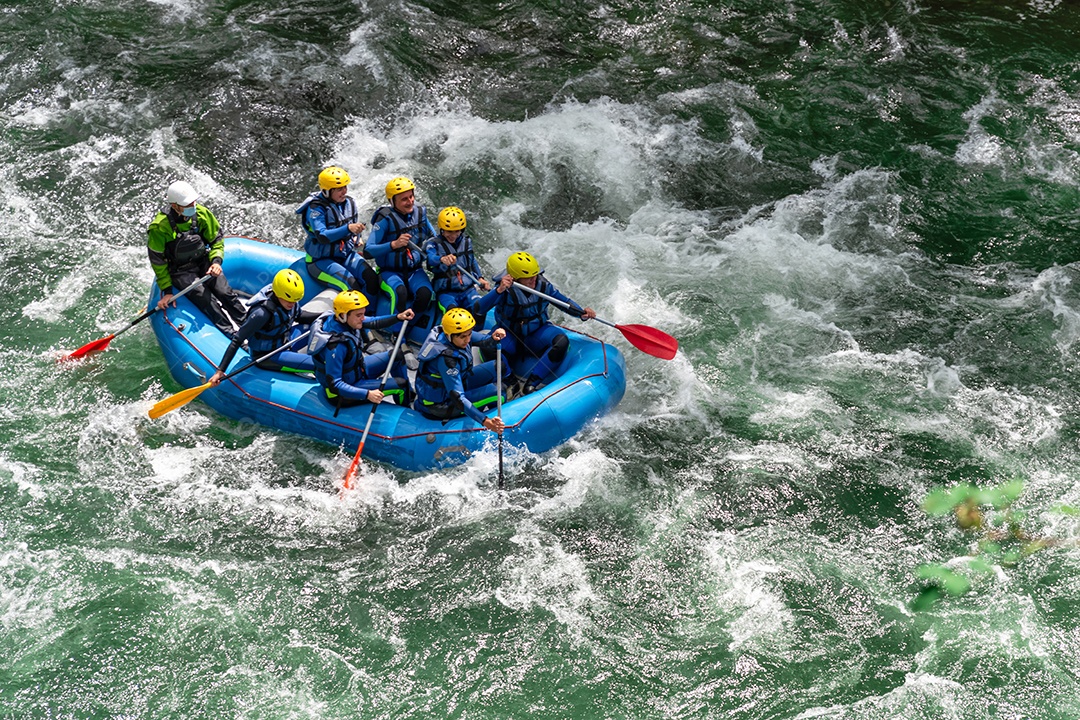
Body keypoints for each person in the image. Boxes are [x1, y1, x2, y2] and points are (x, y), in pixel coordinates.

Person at [475, 251, 596, 394]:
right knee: (488, 346)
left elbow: (563, 302)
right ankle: (510, 381)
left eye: (535, 275)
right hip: (510, 334)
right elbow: (479, 309)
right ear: (515, 278)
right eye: (528, 278)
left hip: (536, 333)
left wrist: (581, 313)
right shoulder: (504, 289)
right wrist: (499, 290)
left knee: (561, 341)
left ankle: (532, 383)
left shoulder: (543, 286)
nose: (534, 280)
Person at [147, 180, 247, 336]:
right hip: (180, 271)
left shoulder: (201, 213)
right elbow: (158, 262)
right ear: (174, 206)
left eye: (193, 202)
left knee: (225, 292)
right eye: (187, 204)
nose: (192, 206)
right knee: (207, 300)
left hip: (203, 261)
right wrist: (167, 291)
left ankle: (249, 325)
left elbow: (216, 240)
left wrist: (216, 261)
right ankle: (232, 334)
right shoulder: (160, 227)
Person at [311, 290, 414, 409]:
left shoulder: (345, 321)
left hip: (358, 370)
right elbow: (335, 384)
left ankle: (410, 395)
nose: (363, 318)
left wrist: (398, 317)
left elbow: (374, 322)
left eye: (363, 314)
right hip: (344, 392)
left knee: (397, 355)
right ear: (343, 315)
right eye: (358, 315)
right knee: (401, 385)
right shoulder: (335, 346)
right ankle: (407, 411)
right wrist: (368, 394)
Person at [208, 269, 311, 386]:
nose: (292, 303)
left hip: (283, 341)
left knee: (313, 326)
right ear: (278, 293)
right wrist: (220, 371)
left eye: (295, 300)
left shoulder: (290, 300)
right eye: (289, 300)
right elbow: (237, 340)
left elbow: (299, 316)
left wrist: (324, 315)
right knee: (317, 364)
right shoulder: (261, 314)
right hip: (267, 356)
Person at [413, 308, 507, 433]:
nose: (468, 340)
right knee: (499, 391)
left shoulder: (454, 334)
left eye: (469, 334)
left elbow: (485, 341)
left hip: (457, 383)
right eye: (463, 337)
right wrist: (486, 421)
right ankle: (495, 425)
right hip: (441, 405)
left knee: (498, 366)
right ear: (449, 335)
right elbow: (458, 398)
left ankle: (488, 412)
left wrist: (494, 337)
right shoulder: (447, 360)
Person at [296, 166, 380, 299]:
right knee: (351, 286)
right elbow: (322, 236)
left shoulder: (349, 202)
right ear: (327, 191)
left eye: (345, 187)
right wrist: (348, 229)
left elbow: (353, 226)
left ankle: (369, 311)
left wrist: (356, 237)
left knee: (372, 280)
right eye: (339, 189)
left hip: (345, 255)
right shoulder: (316, 209)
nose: (344, 191)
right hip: (320, 261)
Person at [365, 176, 436, 332]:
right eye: (404, 199)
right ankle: (396, 333)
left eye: (411, 196)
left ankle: (406, 327)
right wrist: (394, 244)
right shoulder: (384, 219)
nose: (410, 201)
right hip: (389, 272)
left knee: (425, 294)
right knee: (400, 293)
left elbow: (434, 239)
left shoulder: (420, 213)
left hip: (415, 271)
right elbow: (368, 250)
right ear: (392, 201)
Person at [424, 206, 491, 326]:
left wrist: (480, 278)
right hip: (446, 292)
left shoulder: (466, 242)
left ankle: (477, 334)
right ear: (442, 229)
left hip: (468, 290)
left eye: (457, 231)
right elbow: (430, 258)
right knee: (453, 313)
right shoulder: (433, 244)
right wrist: (442, 259)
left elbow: (472, 261)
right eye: (449, 231)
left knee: (480, 307)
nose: (453, 235)